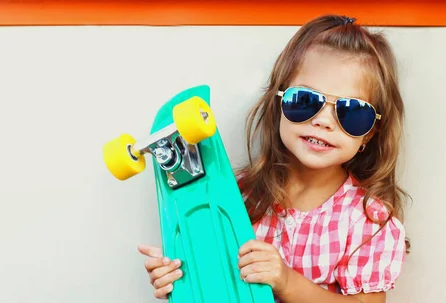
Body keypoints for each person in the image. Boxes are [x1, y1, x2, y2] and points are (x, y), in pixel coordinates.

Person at [137, 14, 410, 303]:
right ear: (278, 102)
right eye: (305, 101)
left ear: (370, 133)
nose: (324, 122)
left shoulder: (368, 221)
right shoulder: (237, 198)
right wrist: (181, 279)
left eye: (352, 112)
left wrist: (287, 281)